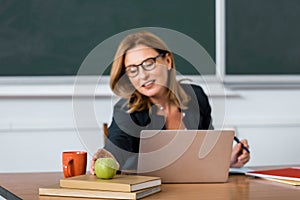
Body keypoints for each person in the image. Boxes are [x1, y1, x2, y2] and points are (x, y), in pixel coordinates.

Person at [90, 31, 250, 174]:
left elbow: (206, 150)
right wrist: (106, 155)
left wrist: (227, 161)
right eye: (132, 70)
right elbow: (118, 144)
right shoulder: (126, 108)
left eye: (148, 64)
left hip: (195, 189)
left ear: (167, 61)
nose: (142, 75)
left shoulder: (196, 96)